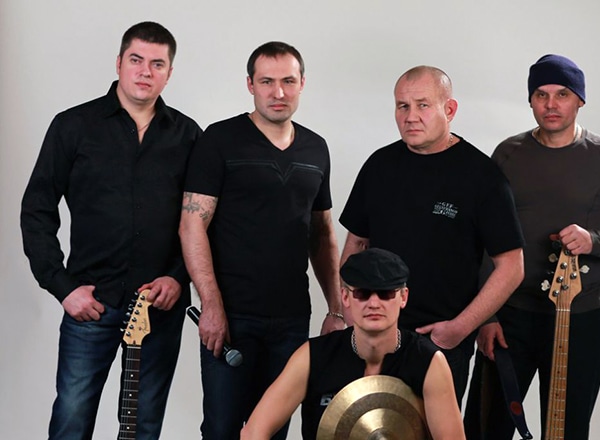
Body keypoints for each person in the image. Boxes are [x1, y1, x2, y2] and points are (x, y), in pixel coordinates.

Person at [20, 22, 201, 439]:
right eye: (136, 60)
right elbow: (37, 210)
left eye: (157, 64)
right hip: (92, 303)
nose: (145, 71)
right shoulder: (73, 126)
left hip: (159, 307)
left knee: (144, 425)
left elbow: (201, 220)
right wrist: (62, 286)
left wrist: (178, 277)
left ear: (169, 73)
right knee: (71, 420)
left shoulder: (189, 135)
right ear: (119, 63)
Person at [470, 54, 600, 439]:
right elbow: (484, 239)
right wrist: (487, 317)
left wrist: (594, 240)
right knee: (487, 428)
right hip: (511, 316)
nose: (551, 104)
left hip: (580, 318)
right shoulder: (508, 154)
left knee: (566, 431)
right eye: (541, 94)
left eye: (562, 94)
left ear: (580, 100)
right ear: (530, 100)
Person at [179, 41, 344, 439]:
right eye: (267, 81)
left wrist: (337, 309)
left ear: (302, 83)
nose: (278, 92)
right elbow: (191, 226)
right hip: (231, 317)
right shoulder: (220, 140)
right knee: (221, 429)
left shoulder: (316, 148)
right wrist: (211, 306)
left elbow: (322, 234)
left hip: (291, 319)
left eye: (288, 81)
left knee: (272, 430)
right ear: (250, 85)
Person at [339, 65, 525, 404]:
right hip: (375, 336)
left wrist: (459, 329)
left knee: (434, 429)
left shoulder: (482, 177)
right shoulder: (379, 165)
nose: (410, 116)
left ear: (449, 109)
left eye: (422, 105)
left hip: (440, 343)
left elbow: (512, 267)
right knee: (365, 425)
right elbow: (357, 242)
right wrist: (350, 313)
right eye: (402, 106)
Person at [240, 247, 466, 440]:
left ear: (403, 297)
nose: (374, 303)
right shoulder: (312, 356)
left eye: (386, 293)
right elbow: (253, 432)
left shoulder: (428, 363)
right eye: (362, 293)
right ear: (346, 297)